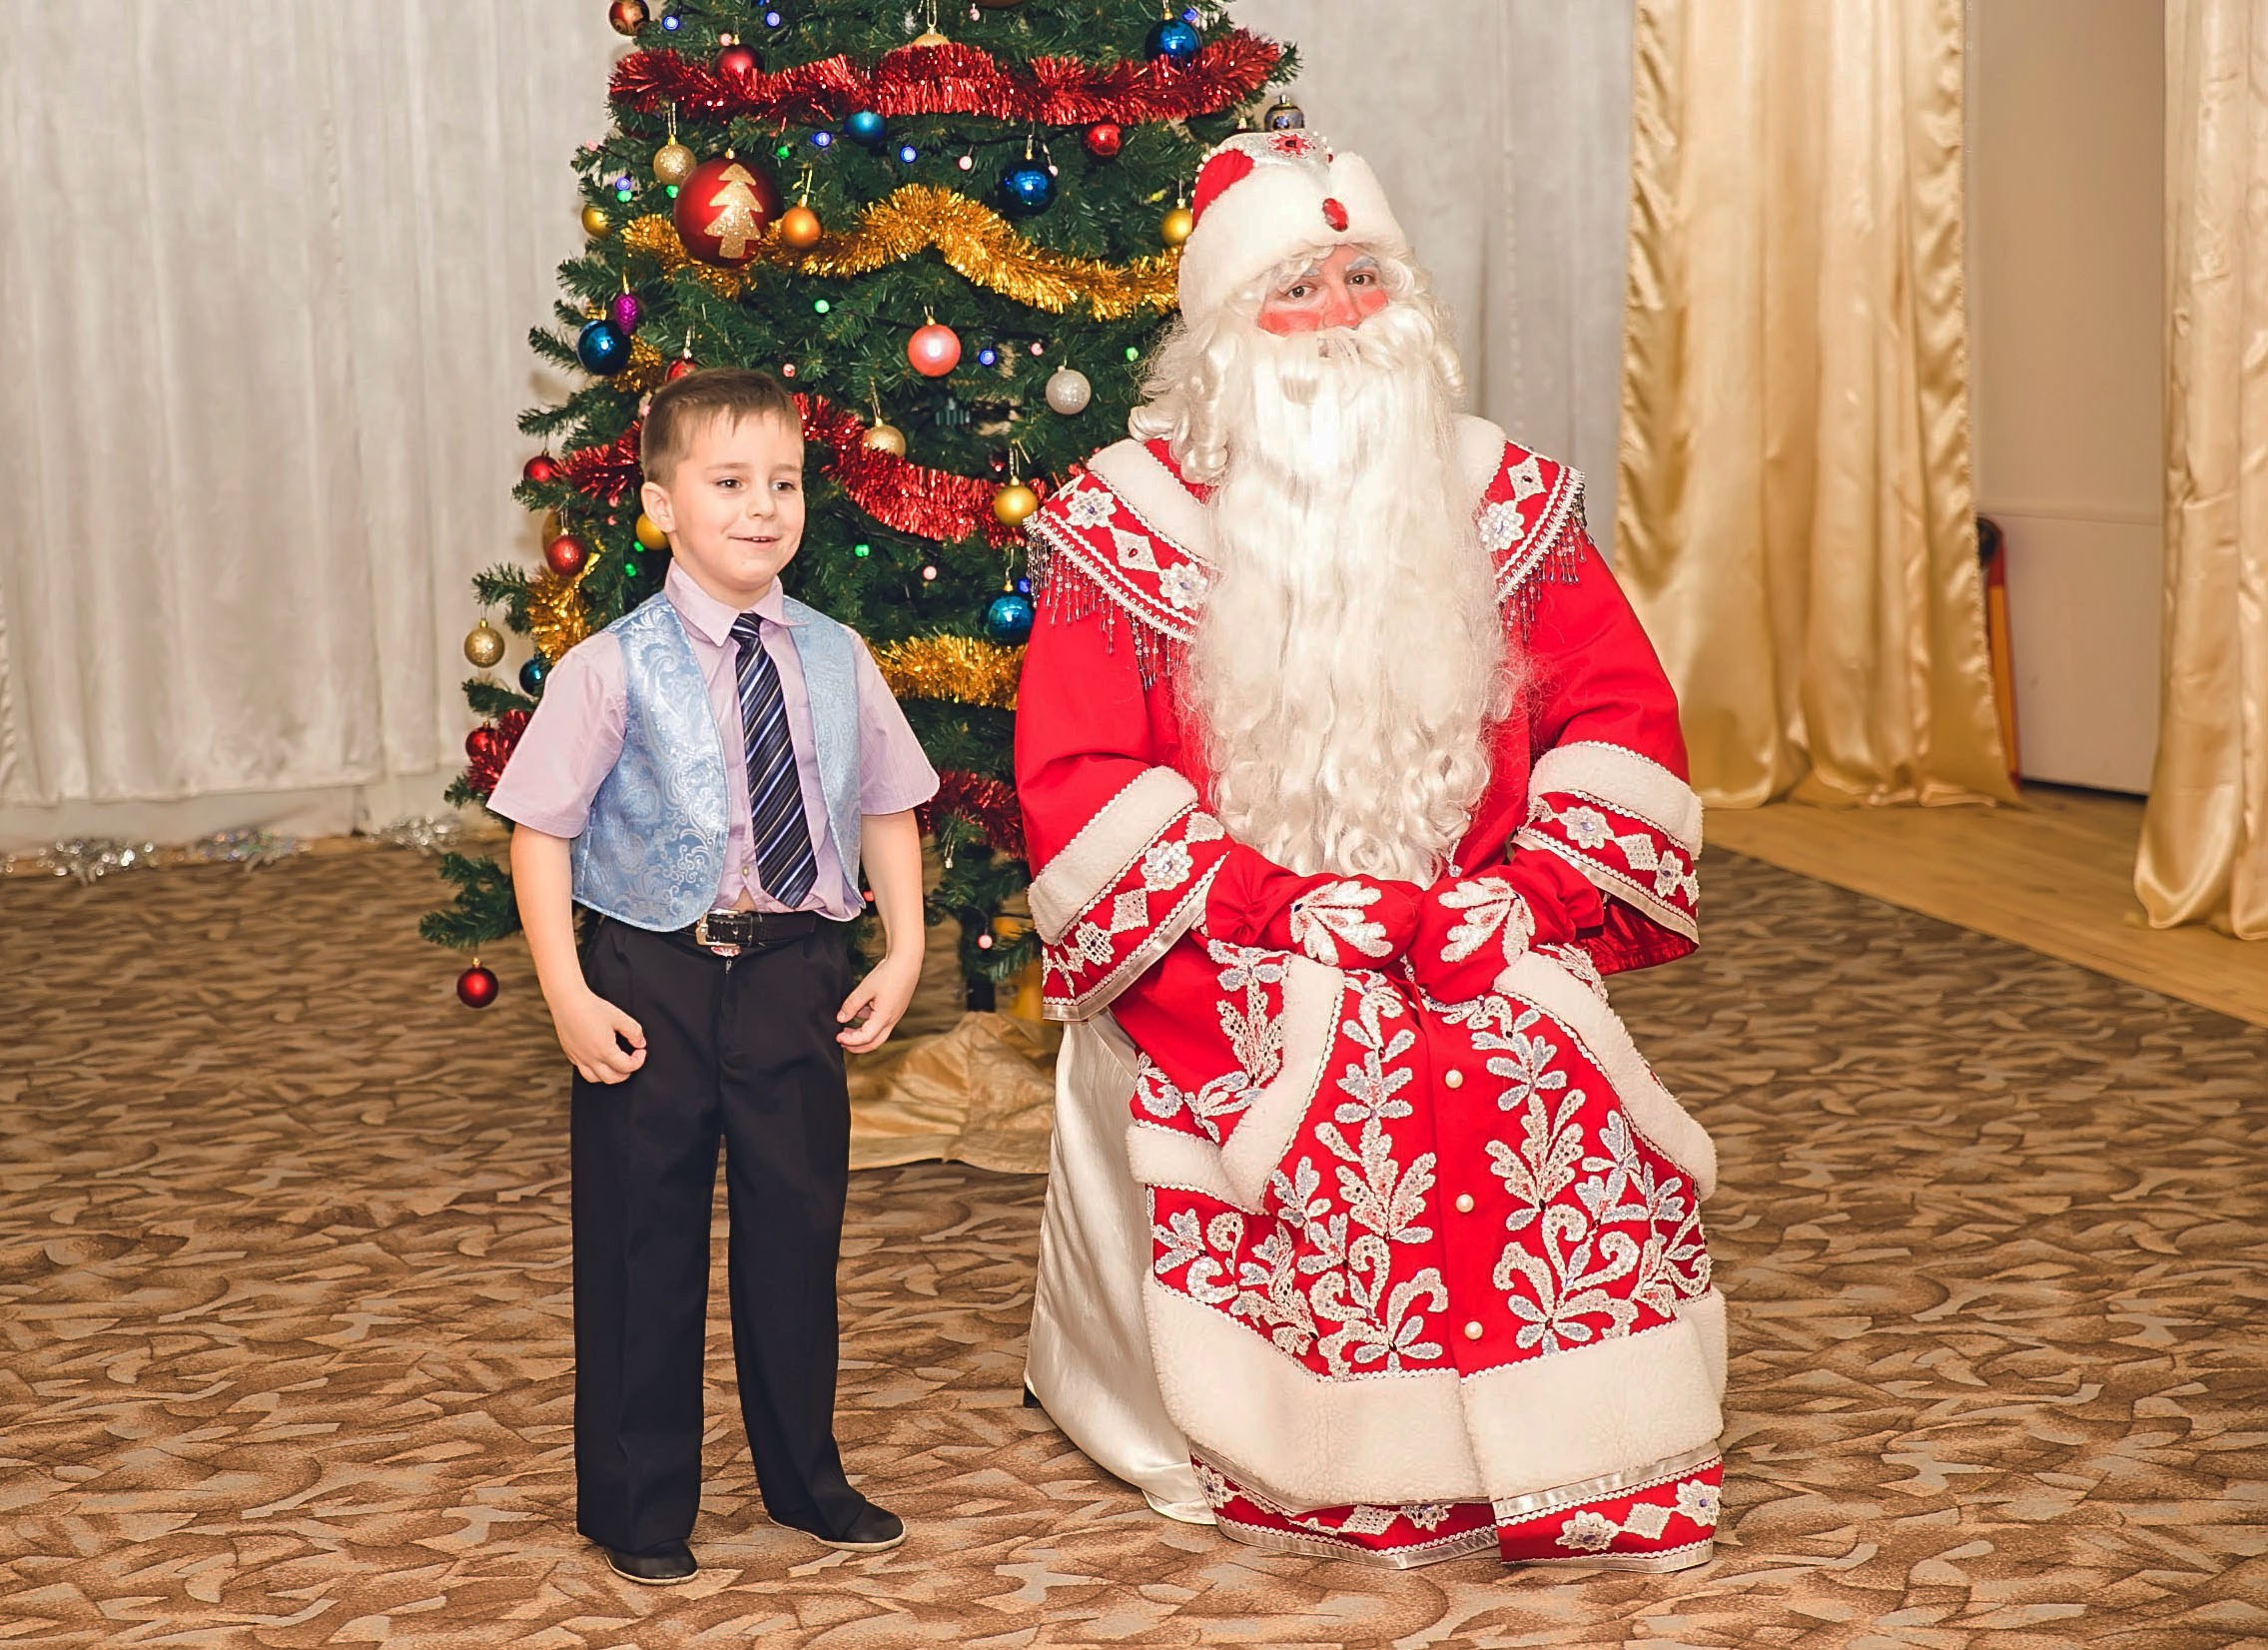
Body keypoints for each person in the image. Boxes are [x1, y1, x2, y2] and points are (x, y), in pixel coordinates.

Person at [1014, 131, 1725, 1570]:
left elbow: (1620, 724)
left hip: (1469, 920)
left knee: (1527, 1067)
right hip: (1234, 941)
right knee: (1342, 1091)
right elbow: (1080, 783)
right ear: (1222, 336)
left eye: (1363, 275)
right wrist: (1275, 908)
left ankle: (1570, 1447)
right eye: (1297, 287)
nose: (1341, 312)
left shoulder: (1504, 501)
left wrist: (1523, 899)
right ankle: (1350, 1456)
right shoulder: (1125, 522)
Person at [488, 368, 939, 1584]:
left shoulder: (840, 656)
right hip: (652, 975)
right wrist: (568, 994)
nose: (762, 506)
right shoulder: (610, 665)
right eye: (728, 482)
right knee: (644, 1235)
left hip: (796, 971)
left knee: (798, 1229)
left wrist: (901, 946)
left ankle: (807, 1478)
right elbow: (541, 829)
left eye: (782, 482)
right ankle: (640, 1504)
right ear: (659, 502)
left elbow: (891, 805)